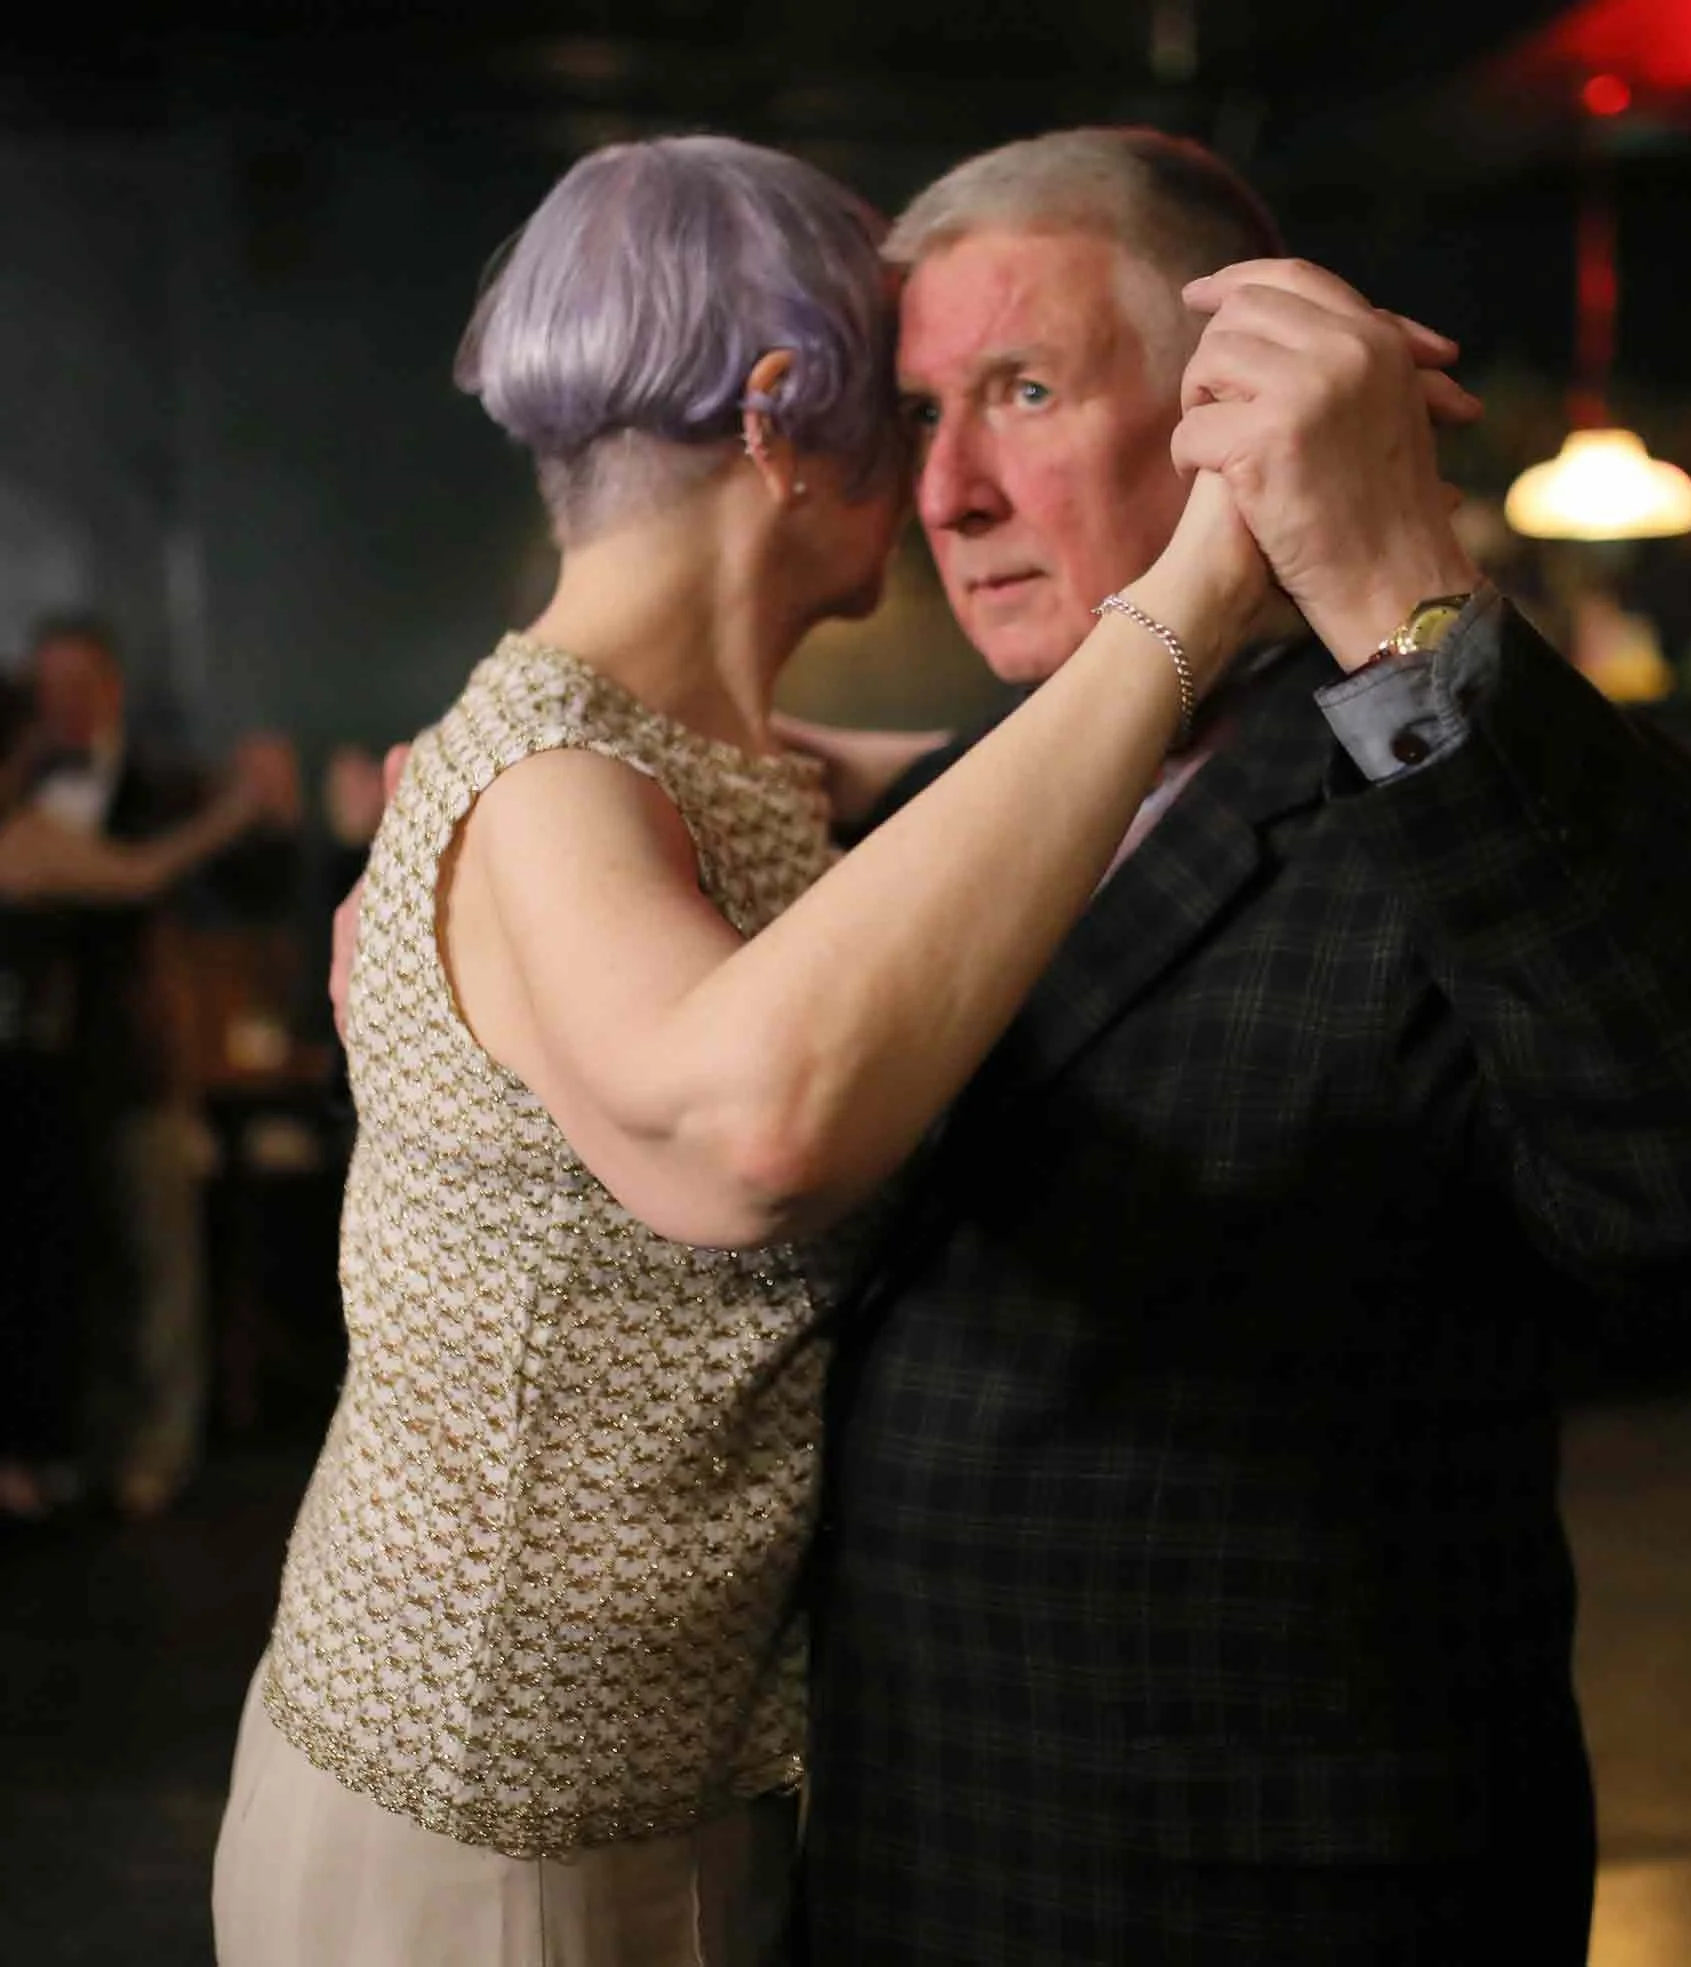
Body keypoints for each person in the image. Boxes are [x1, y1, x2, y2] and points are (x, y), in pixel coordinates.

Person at [216, 134, 1286, 1967]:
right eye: (908, 404)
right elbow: (752, 1133)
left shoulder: (699, 759)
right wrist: (1188, 605)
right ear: (789, 417)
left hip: (673, 1789)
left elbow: (878, 868)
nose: (946, 479)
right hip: (486, 1824)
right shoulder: (554, 777)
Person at [789, 129, 1691, 1962]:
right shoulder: (960, 802)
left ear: (1220, 412)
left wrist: (1387, 590)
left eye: (1025, 391)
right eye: (922, 412)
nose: (947, 491)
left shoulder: (1459, 779)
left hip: (1269, 1895)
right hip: (917, 1853)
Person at [0, 677, 270, 1520]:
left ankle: (88, 1453)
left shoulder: (44, 823)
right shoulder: (29, 834)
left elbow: (139, 880)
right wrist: (233, 814)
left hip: (61, 1083)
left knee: (85, 1275)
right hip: (37, 1087)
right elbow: (139, 875)